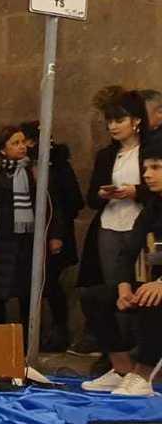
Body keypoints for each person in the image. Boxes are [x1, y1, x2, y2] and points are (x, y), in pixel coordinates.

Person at [80, 130, 162, 396]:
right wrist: (125, 287)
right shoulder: (153, 207)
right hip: (155, 285)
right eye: (146, 167)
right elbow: (128, 252)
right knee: (95, 296)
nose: (147, 174)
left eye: (156, 167)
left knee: (152, 299)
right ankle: (122, 369)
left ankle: (144, 375)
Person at [78, 90, 149, 386]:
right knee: (112, 291)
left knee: (141, 290)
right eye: (109, 121)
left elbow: (155, 190)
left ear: (136, 121)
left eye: (119, 120)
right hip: (110, 225)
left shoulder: (151, 150)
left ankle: (142, 358)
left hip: (142, 226)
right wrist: (103, 194)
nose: (112, 126)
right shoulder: (107, 155)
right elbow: (92, 196)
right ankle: (117, 361)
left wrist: (136, 191)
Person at [0, 125, 65, 339]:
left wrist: (56, 235)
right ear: (3, 149)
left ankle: (28, 339)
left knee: (27, 292)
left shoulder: (33, 171)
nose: (22, 146)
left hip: (26, 240)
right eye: (15, 143)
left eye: (23, 142)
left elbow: (52, 204)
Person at [22, 120, 85, 351]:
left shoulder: (58, 166)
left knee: (50, 283)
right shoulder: (23, 166)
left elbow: (74, 201)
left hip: (55, 232)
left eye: (28, 141)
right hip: (28, 233)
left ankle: (59, 330)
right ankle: (31, 332)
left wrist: (56, 227)